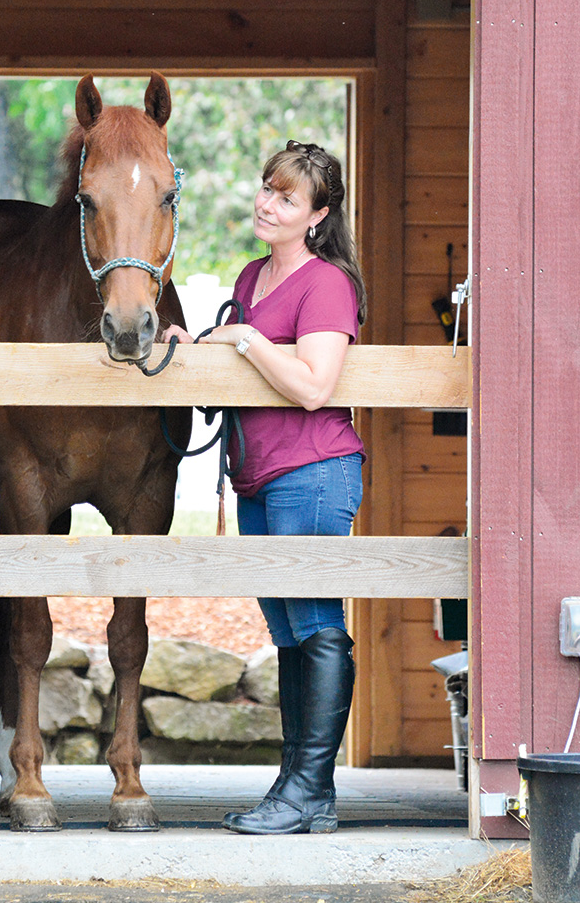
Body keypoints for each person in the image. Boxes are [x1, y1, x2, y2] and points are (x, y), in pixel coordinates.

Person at [164, 140, 366, 836]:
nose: (267, 202)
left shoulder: (326, 284)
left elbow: (313, 385)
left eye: (286, 197)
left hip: (313, 473)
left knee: (317, 626)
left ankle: (310, 789)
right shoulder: (252, 276)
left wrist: (243, 338)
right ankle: (297, 788)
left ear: (317, 215)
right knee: (288, 633)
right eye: (266, 187)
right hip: (257, 476)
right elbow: (244, 352)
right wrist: (200, 346)